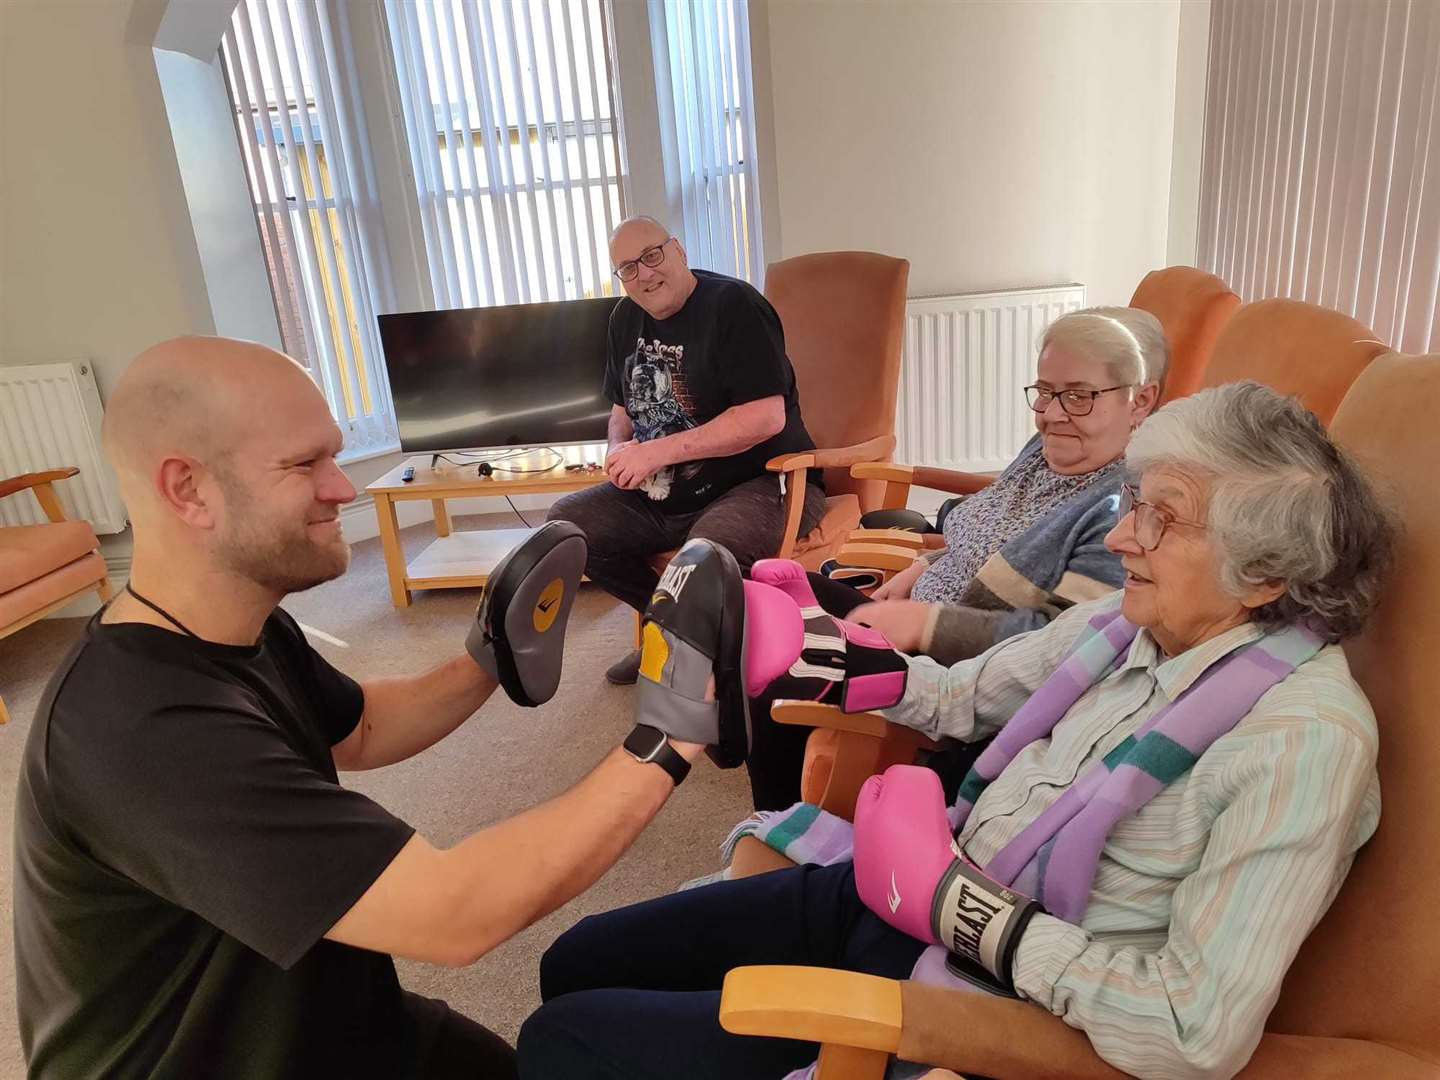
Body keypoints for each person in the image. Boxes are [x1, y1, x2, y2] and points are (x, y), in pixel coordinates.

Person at [516, 381, 1396, 1080]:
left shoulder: (1299, 744)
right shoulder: (1129, 629)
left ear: (1265, 572)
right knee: (576, 960)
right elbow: (959, 695)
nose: (1123, 536)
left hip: (973, 991)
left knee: (566, 1039)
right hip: (892, 897)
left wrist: (957, 904)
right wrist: (818, 651)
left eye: (1160, 518)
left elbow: (1190, 1031)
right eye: (1135, 502)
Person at [11, 337, 718, 1080]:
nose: (344, 490)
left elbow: (366, 726)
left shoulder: (240, 624)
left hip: (329, 1023)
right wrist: (669, 734)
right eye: (304, 464)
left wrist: (484, 659)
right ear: (187, 489)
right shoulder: (142, 731)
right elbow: (454, 913)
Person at [744, 306, 1168, 810]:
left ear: (1140, 401)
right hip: (916, 612)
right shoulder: (1052, 445)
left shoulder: (1122, 513)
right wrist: (922, 567)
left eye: (1078, 396)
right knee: (760, 598)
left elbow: (1065, 649)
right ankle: (745, 747)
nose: (1052, 413)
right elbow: (989, 522)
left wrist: (924, 626)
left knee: (782, 666)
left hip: (947, 669)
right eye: (1046, 391)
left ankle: (780, 818)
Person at [546, 215, 825, 685]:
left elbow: (765, 417)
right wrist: (619, 452)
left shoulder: (734, 306)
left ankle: (708, 656)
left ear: (679, 250)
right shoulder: (623, 319)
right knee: (568, 527)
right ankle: (671, 629)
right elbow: (621, 410)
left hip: (760, 480)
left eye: (652, 256)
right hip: (667, 491)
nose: (644, 275)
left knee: (705, 554)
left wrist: (655, 454)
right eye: (628, 268)